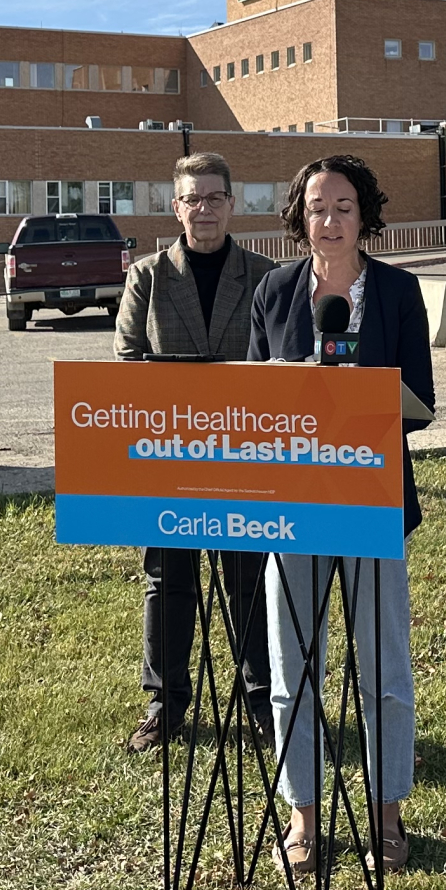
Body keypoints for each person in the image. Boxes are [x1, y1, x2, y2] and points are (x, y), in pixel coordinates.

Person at [245, 153, 437, 874]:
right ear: (300, 215)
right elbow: (257, 397)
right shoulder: (273, 291)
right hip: (290, 507)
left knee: (383, 668)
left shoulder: (398, 292)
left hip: (371, 498)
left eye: (344, 206)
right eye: (318, 206)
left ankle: (386, 815)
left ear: (366, 216)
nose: (330, 220)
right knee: (294, 667)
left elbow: (420, 397)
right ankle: (303, 817)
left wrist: (359, 403)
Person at [113, 153, 278, 754]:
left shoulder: (266, 276)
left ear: (232, 204)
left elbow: (280, 367)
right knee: (168, 580)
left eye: (214, 198)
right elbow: (128, 363)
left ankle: (262, 701)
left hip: (246, 461)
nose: (203, 209)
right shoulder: (147, 277)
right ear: (175, 206)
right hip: (170, 458)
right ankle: (165, 703)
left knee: (249, 582)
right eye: (192, 199)